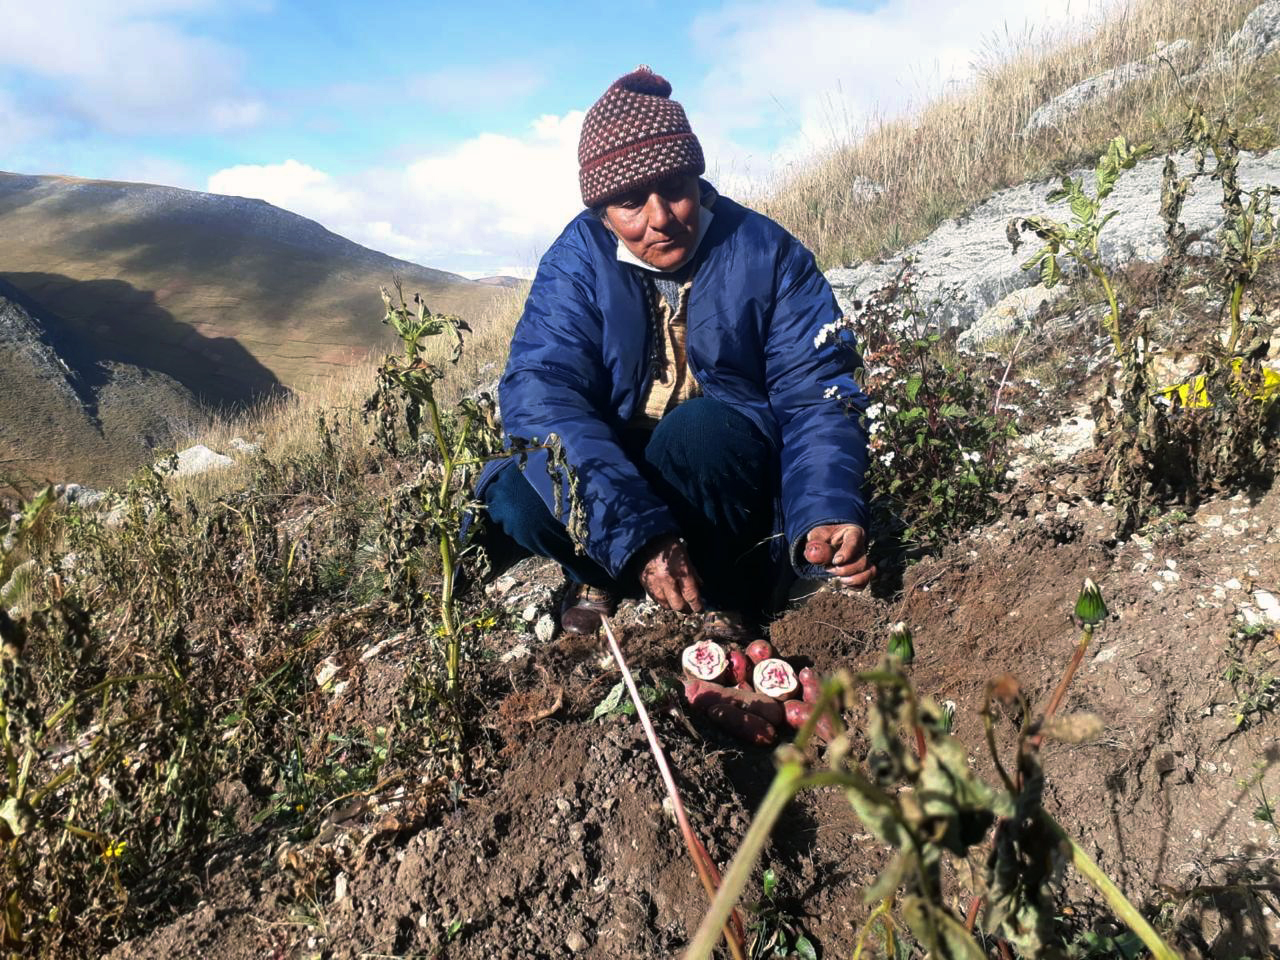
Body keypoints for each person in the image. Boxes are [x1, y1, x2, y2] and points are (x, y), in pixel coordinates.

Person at [473, 66, 873, 640]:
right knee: (519, 492)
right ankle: (604, 572)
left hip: (722, 475)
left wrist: (827, 506)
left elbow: (817, 393)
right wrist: (637, 533)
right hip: (619, 474)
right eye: (631, 202)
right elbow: (542, 392)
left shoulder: (767, 252)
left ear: (698, 179)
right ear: (602, 212)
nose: (660, 219)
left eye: (676, 189)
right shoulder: (575, 262)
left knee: (700, 429)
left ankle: (727, 588)